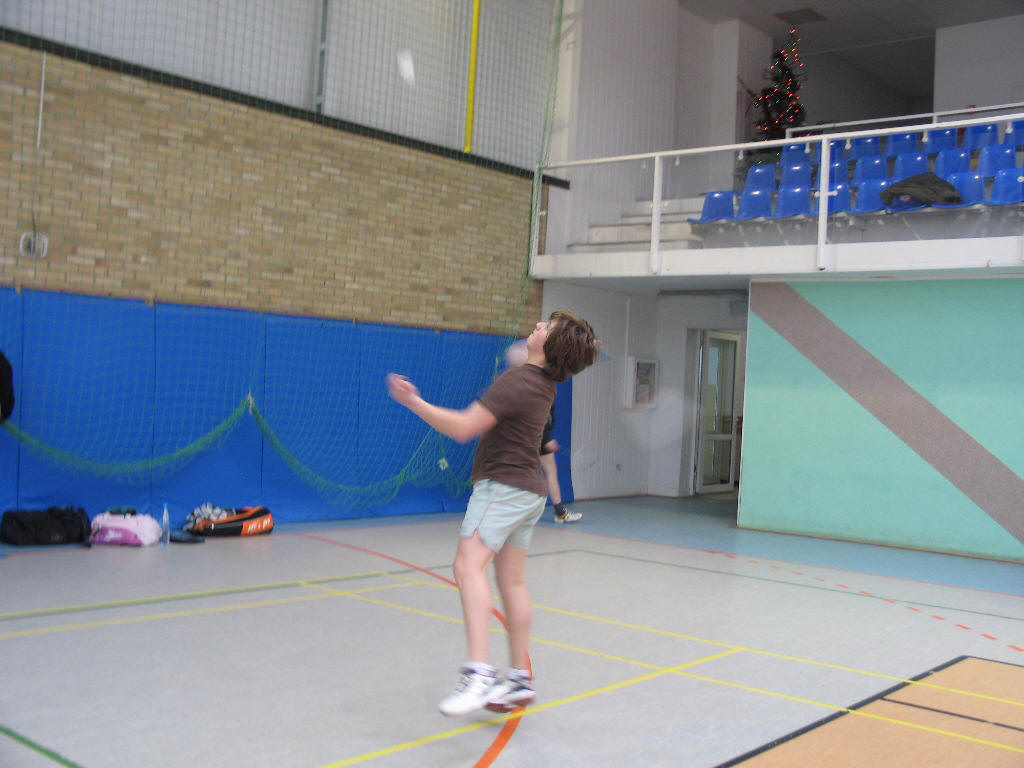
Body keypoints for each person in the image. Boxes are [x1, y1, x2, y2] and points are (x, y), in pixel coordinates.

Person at [387, 310, 598, 716]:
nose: (538, 326)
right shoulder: (544, 383)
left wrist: (413, 401)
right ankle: (518, 679)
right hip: (530, 492)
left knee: (468, 567)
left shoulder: (518, 381)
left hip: (503, 487)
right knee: (512, 581)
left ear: (552, 345)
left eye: (547, 328)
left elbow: (463, 428)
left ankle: (479, 673)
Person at [539, 405, 581, 523]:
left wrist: (546, 438)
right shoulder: (533, 397)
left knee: (552, 472)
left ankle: (560, 513)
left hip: (540, 439)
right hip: (525, 441)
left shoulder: (551, 400)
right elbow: (530, 419)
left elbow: (549, 422)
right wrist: (546, 439)